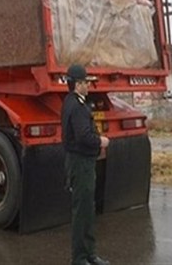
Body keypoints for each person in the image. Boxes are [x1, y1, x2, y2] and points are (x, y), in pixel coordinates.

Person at [61, 64, 110, 265]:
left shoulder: (73, 103)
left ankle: (90, 254)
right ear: (77, 84)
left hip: (83, 162)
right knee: (82, 211)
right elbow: (82, 136)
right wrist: (100, 141)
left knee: (88, 209)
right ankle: (80, 258)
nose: (88, 86)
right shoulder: (77, 106)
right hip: (80, 163)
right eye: (85, 83)